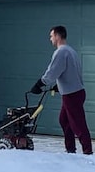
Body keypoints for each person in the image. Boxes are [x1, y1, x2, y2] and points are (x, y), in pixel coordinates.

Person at [30, 25, 91, 155]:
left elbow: (53, 71)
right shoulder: (71, 51)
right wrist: (59, 85)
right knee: (64, 120)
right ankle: (70, 149)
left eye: (51, 36)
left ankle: (87, 152)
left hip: (72, 94)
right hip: (74, 92)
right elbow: (71, 71)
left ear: (57, 36)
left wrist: (40, 83)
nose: (50, 39)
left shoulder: (61, 52)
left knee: (78, 124)